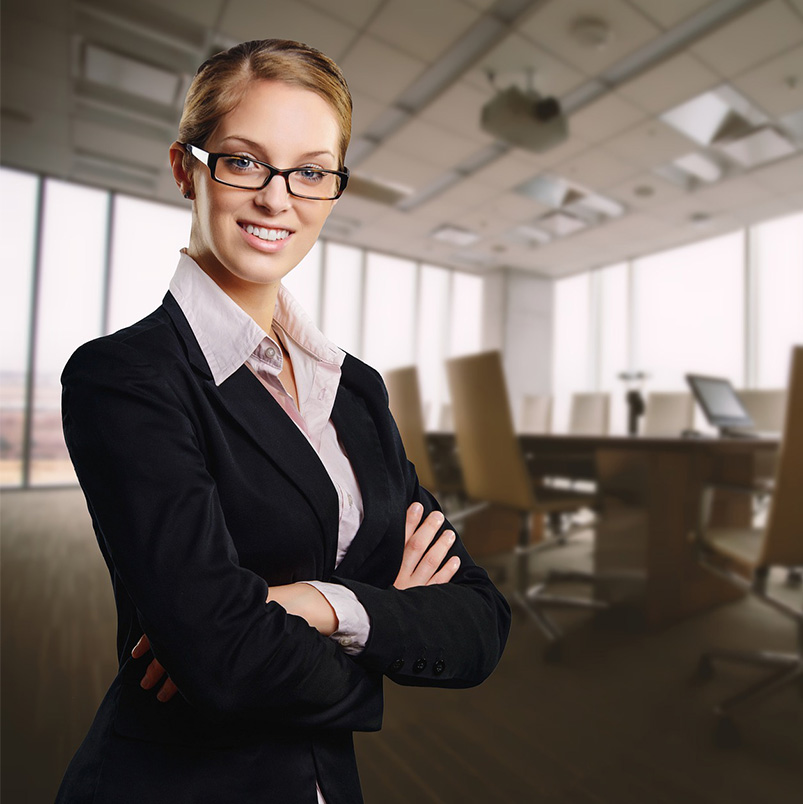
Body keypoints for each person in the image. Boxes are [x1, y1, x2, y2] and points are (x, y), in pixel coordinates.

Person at [56, 38, 510, 804]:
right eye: (242, 161)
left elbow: (478, 621)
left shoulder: (354, 389)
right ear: (185, 169)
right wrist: (379, 624)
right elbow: (221, 660)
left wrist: (306, 603)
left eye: (310, 171)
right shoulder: (126, 378)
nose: (278, 198)